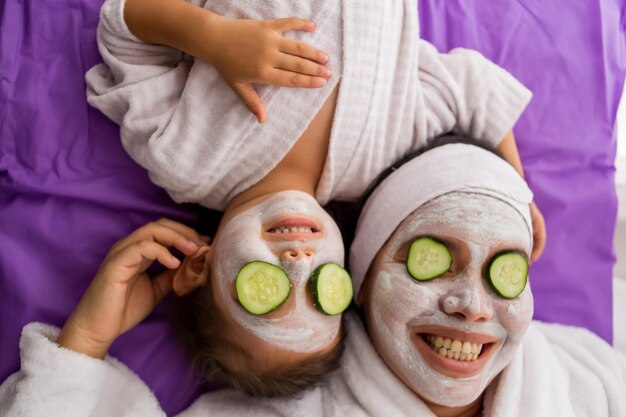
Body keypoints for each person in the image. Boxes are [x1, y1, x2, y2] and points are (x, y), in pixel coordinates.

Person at [84, 0, 546, 396]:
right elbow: (469, 90)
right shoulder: (378, 163)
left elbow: (123, 28)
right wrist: (514, 187)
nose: (299, 261)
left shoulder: (184, 160)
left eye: (266, 289)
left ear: (199, 267)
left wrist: (212, 37)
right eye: (322, 292)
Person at [1, 142, 621, 417]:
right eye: (432, 257)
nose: (469, 305)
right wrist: (83, 343)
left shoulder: (597, 379)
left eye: (503, 268)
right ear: (361, 273)